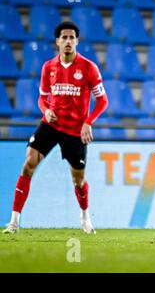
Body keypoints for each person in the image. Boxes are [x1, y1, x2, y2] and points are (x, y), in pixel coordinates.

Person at [3, 21, 108, 234]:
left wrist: (88, 122)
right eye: (64, 37)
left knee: (78, 181)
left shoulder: (89, 68)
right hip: (50, 126)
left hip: (75, 131)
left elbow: (103, 101)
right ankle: (14, 222)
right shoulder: (48, 67)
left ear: (77, 41)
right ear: (57, 41)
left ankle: (85, 216)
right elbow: (42, 98)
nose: (68, 41)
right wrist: (45, 111)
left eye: (72, 37)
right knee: (28, 164)